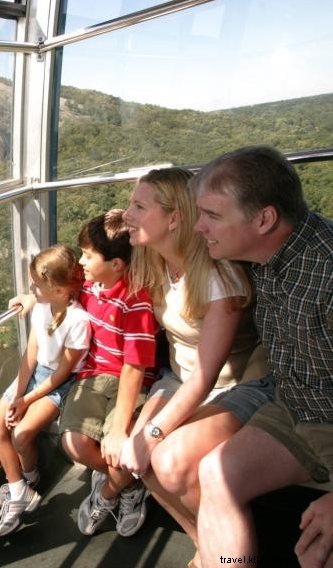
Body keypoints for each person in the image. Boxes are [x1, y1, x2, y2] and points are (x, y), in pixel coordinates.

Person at [116, 167, 274, 567]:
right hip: (178, 379)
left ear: (174, 218)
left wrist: (151, 432)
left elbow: (205, 377)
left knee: (167, 459)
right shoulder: (154, 263)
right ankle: (208, 549)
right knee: (146, 466)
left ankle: (226, 557)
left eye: (139, 206)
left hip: (237, 384)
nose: (126, 214)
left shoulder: (219, 278)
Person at [190, 146, 333, 568]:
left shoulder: (327, 273)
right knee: (215, 474)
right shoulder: (264, 256)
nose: (200, 227)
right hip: (295, 405)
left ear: (264, 219)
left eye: (212, 216)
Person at [8, 209, 159, 537]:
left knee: (119, 447)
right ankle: (126, 481)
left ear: (116, 265)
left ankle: (112, 492)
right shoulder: (90, 288)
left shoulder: (136, 302)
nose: (82, 263)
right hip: (92, 376)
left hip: (130, 381)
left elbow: (135, 367)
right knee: (74, 444)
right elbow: (59, 292)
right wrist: (31, 299)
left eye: (89, 256)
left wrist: (118, 428)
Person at [0, 244, 91, 537]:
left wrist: (27, 399)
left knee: (21, 435)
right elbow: (31, 354)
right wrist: (18, 394)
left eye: (37, 284)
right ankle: (20, 488)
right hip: (34, 377)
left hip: (58, 383)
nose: (31, 288)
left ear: (60, 290)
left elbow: (61, 373)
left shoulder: (78, 322)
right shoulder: (43, 307)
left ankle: (29, 481)